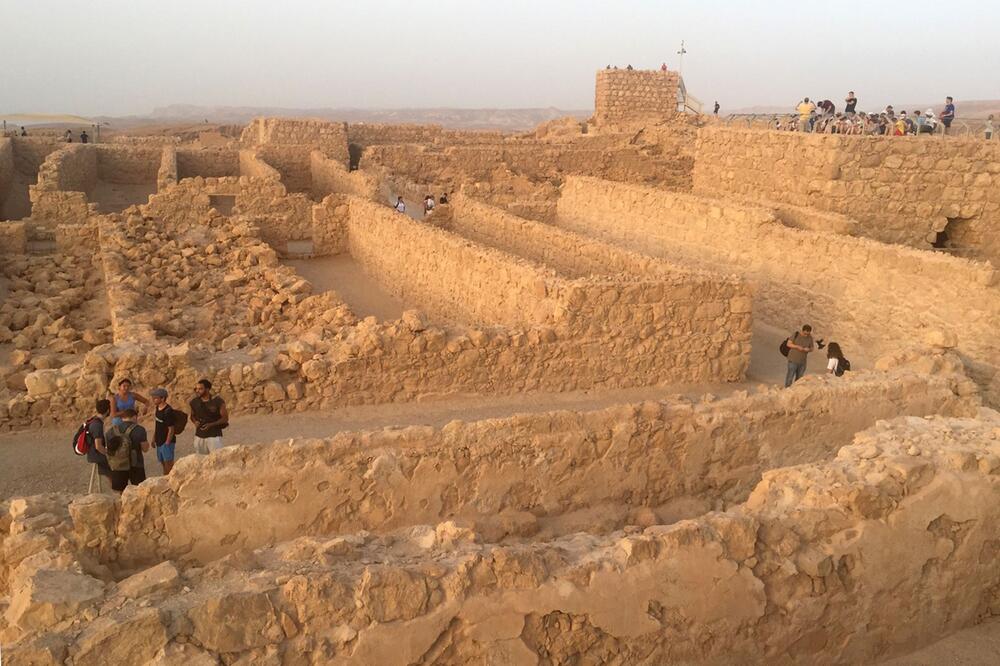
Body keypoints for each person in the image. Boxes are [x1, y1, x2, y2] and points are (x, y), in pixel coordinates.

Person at [99, 408, 148, 493]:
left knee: (120, 491)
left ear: (122, 418)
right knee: (139, 490)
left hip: (118, 464)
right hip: (136, 464)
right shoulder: (140, 430)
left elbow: (109, 448)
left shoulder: (111, 431)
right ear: (134, 417)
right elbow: (145, 449)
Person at [190, 379, 228, 455]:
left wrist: (211, 425)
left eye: (200, 389)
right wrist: (195, 422)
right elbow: (192, 416)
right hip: (199, 436)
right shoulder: (194, 402)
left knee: (217, 459)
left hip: (214, 436)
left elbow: (225, 419)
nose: (197, 391)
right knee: (201, 460)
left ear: (207, 389)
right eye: (196, 389)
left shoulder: (217, 401)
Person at [85, 399, 113, 489]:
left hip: (92, 453)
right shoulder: (98, 425)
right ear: (108, 410)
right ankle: (119, 492)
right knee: (115, 471)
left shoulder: (93, 420)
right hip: (96, 454)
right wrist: (109, 454)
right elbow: (98, 446)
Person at [151, 388, 177, 475]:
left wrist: (167, 442)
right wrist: (154, 438)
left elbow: (171, 429)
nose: (153, 399)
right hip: (159, 440)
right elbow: (157, 425)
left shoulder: (168, 411)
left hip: (166, 442)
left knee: (169, 464)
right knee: (162, 462)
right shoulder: (157, 408)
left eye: (155, 398)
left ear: (162, 398)